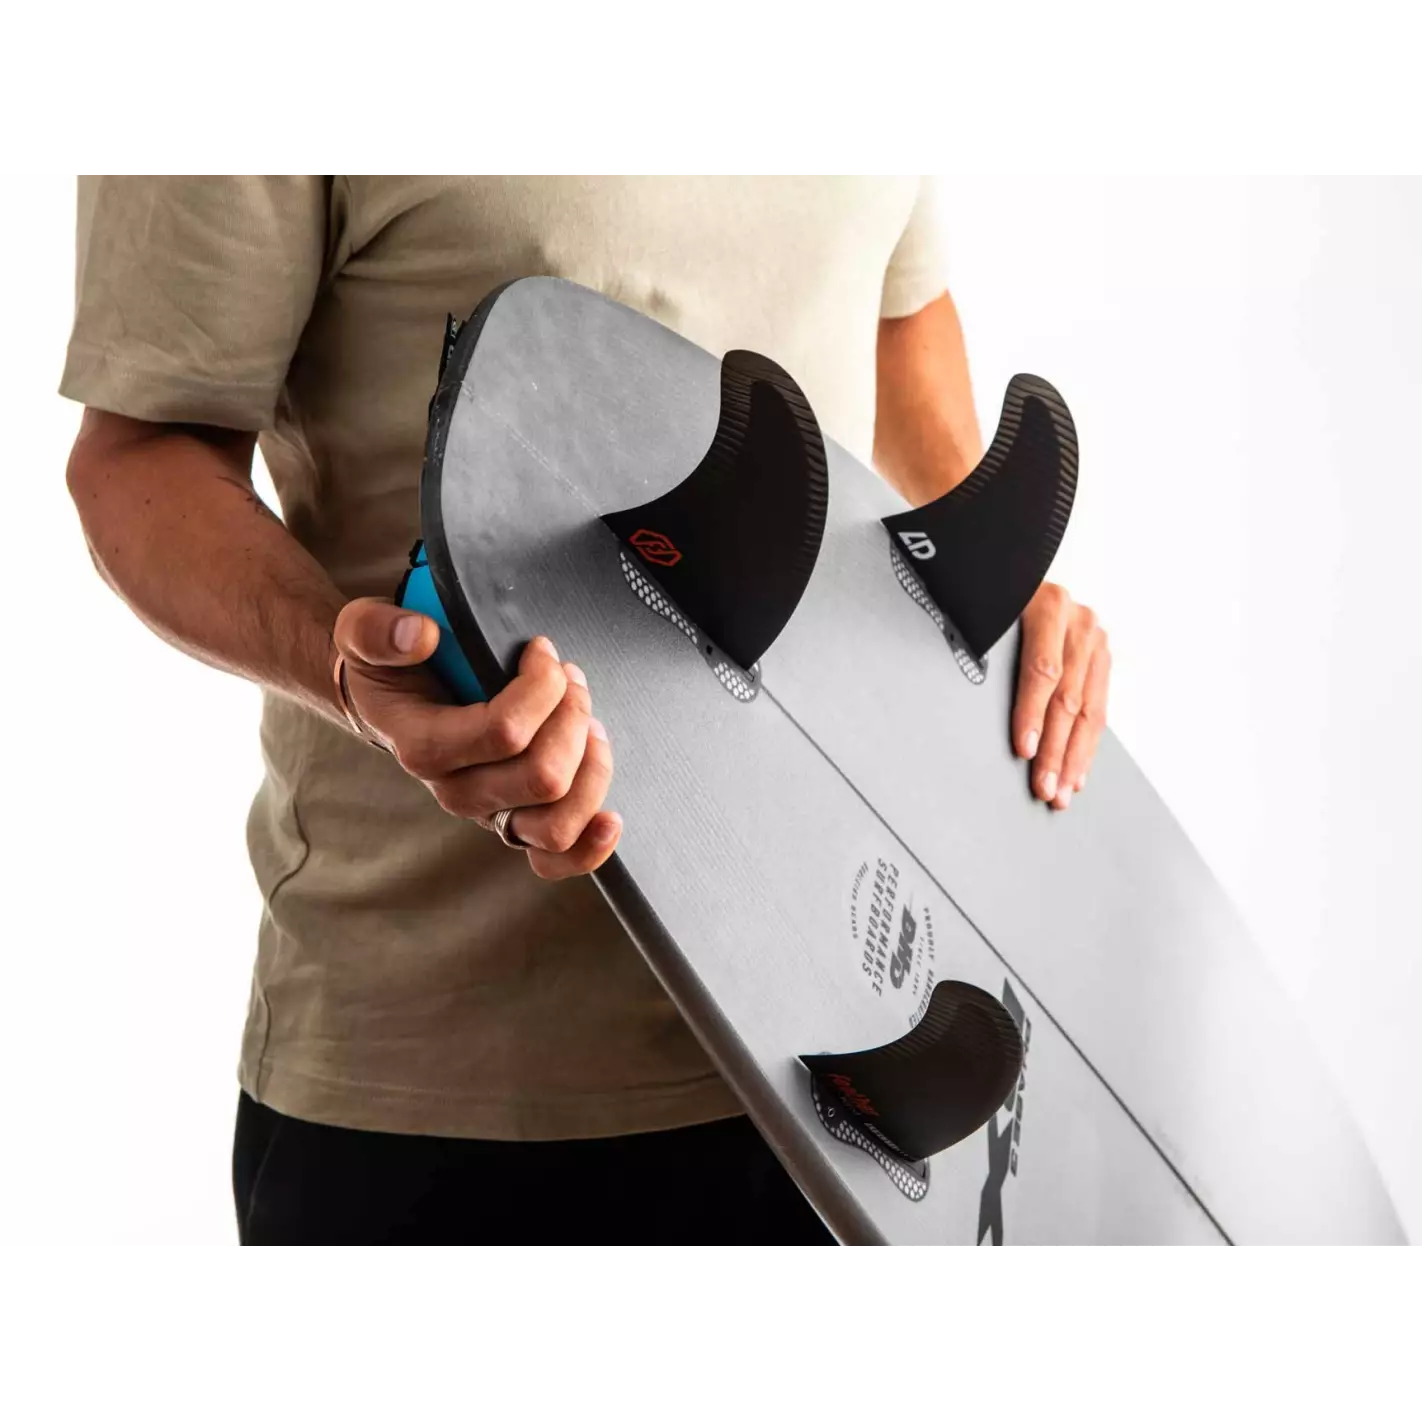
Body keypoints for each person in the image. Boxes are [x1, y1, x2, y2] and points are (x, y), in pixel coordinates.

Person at [61, 172, 1111, 1247]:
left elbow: (893, 303)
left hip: (849, 1059)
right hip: (459, 1091)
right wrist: (352, 674)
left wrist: (976, 589)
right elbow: (140, 456)